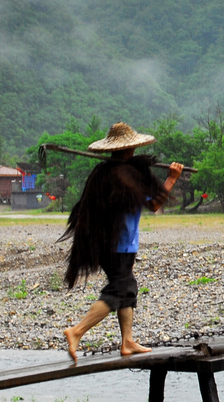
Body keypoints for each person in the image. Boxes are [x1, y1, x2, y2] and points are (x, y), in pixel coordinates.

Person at [60, 122, 183, 361]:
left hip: (116, 243)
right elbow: (154, 204)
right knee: (118, 290)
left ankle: (127, 341)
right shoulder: (124, 175)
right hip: (118, 244)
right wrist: (171, 179)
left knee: (128, 289)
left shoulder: (106, 171)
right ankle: (77, 331)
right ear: (128, 148)